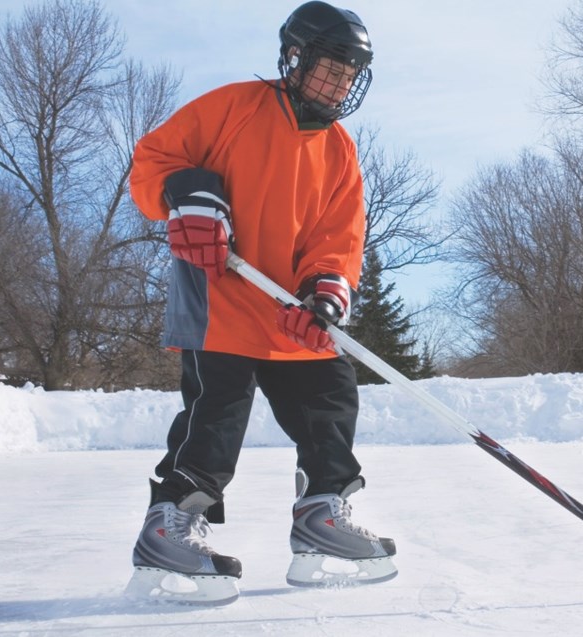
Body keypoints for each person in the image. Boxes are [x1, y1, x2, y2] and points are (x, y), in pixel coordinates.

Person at [123, 1, 395, 604]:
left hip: (285, 309)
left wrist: (325, 289)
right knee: (217, 413)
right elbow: (154, 158)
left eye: (350, 75)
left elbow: (339, 235)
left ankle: (322, 516)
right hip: (217, 296)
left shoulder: (339, 149)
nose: (338, 84)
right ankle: (170, 522)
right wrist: (187, 195)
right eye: (330, 68)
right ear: (294, 59)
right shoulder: (233, 108)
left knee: (330, 393)